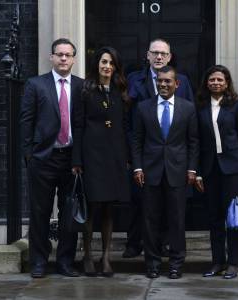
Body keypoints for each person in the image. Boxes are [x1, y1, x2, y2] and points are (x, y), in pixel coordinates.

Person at [123, 38, 194, 259]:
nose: (159, 57)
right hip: (143, 152)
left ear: (170, 57)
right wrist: (130, 154)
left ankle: (163, 244)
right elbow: (127, 117)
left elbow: (190, 119)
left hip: (172, 155)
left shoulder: (182, 81)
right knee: (139, 201)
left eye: (163, 53)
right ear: (147, 55)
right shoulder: (135, 79)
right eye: (154, 53)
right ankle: (134, 243)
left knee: (169, 205)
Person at [20, 38, 84, 278]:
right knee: (40, 212)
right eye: (59, 54)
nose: (64, 59)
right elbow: (26, 121)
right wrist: (29, 155)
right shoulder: (36, 85)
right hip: (43, 159)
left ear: (74, 59)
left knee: (69, 213)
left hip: (72, 160)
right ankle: (39, 261)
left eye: (68, 55)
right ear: (52, 57)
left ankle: (65, 262)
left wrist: (81, 159)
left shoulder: (81, 86)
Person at [132, 65, 199, 279]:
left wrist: (191, 169)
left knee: (177, 220)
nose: (162, 84)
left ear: (176, 84)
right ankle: (152, 263)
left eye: (167, 81)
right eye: (160, 81)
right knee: (150, 220)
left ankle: (176, 263)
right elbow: (136, 140)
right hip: (150, 171)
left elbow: (193, 142)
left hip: (177, 172)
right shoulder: (143, 107)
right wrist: (138, 166)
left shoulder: (188, 108)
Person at [72, 46, 130, 277]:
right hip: (91, 156)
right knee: (91, 208)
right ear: (97, 64)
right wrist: (77, 159)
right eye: (104, 62)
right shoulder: (85, 90)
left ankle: (105, 258)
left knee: (108, 209)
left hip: (114, 157)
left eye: (111, 63)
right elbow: (78, 125)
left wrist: (126, 158)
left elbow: (125, 127)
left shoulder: (120, 91)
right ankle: (87, 256)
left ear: (116, 67)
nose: (107, 66)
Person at [195, 65, 238, 279]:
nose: (216, 83)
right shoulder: (200, 106)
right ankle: (217, 261)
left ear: (226, 83)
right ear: (207, 83)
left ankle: (233, 262)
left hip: (232, 168)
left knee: (232, 217)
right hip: (210, 169)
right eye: (212, 80)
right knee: (214, 217)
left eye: (220, 79)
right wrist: (199, 172)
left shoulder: (236, 106)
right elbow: (198, 142)